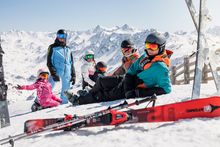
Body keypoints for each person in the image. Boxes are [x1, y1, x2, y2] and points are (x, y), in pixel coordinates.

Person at [69, 33, 172, 105]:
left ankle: (79, 100)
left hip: (134, 86)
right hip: (127, 80)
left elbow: (166, 89)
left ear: (161, 47)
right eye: (147, 45)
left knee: (105, 95)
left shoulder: (160, 67)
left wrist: (137, 93)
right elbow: (132, 70)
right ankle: (88, 94)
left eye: (153, 47)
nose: (149, 49)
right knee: (102, 80)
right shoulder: (145, 56)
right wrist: (128, 79)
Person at [47, 29, 76, 104]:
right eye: (59, 35)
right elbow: (49, 62)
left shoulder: (68, 49)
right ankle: (40, 102)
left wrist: (73, 75)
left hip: (67, 72)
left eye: (63, 36)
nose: (61, 37)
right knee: (48, 87)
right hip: (56, 71)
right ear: (57, 36)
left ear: (66, 37)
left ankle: (63, 104)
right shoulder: (52, 47)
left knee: (66, 90)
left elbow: (71, 63)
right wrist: (53, 73)